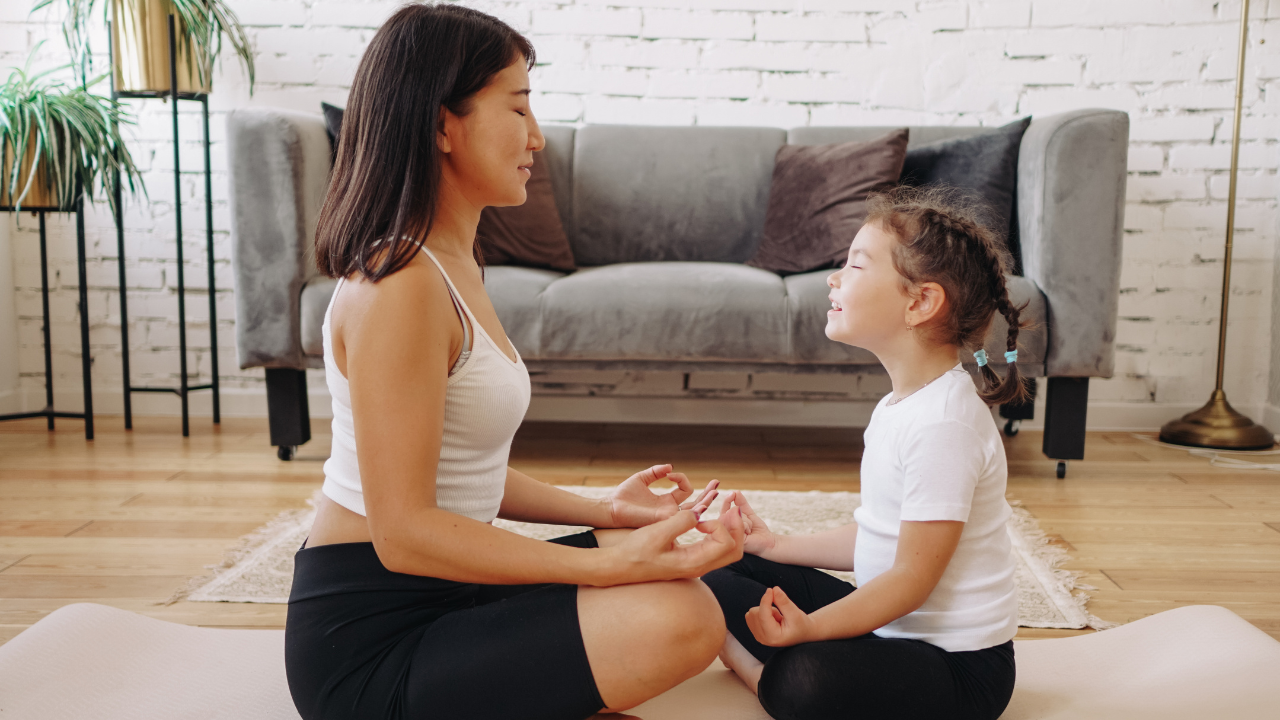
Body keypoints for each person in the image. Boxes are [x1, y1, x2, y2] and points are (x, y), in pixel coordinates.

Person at [282, 6, 745, 720]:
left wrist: (606, 513)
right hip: (370, 645)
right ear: (441, 125)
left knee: (650, 551)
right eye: (519, 108)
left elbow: (460, 471)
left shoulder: (452, 261)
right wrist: (602, 564)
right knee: (681, 618)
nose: (536, 138)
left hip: (445, 593)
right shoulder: (401, 285)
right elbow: (403, 532)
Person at [704, 187, 1026, 720]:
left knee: (806, 680)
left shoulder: (945, 422)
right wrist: (776, 544)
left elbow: (910, 580)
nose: (834, 278)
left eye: (855, 265)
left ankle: (762, 675)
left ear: (919, 302)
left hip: (958, 668)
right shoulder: (900, 406)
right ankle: (780, 654)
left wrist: (811, 629)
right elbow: (885, 533)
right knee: (723, 566)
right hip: (889, 630)